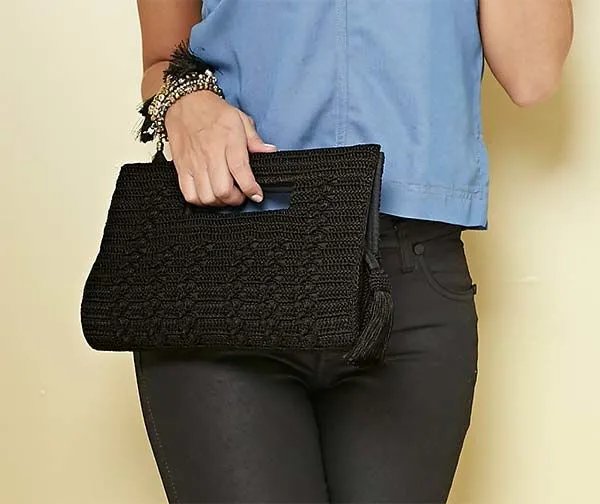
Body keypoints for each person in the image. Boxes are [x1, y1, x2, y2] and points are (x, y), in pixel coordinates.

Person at [133, 1, 573, 502]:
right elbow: (161, 60)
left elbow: (532, 74)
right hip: (228, 254)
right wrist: (186, 103)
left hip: (410, 278)